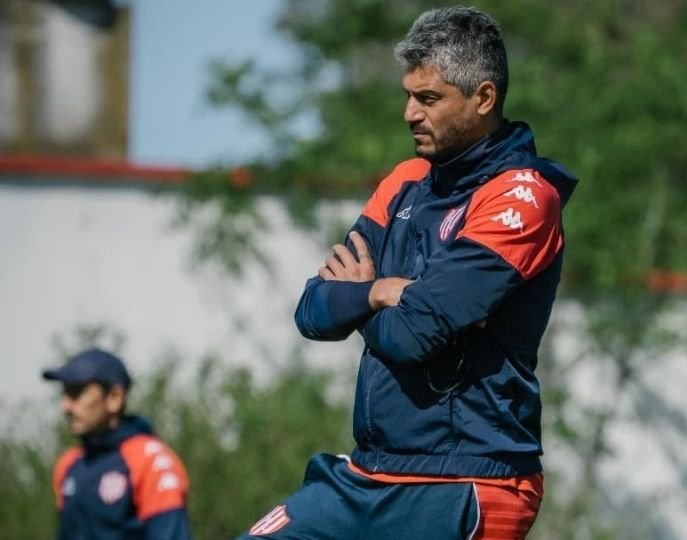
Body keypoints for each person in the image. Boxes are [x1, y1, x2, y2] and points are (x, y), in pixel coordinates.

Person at [239, 6, 576, 540]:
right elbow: (312, 310)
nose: (409, 114)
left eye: (429, 98)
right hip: (369, 474)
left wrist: (362, 299)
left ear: (484, 98)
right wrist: (378, 292)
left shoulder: (523, 198)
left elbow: (412, 333)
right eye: (408, 95)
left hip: (468, 480)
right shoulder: (405, 180)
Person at [42, 347, 192, 540]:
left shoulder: (150, 461)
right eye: (65, 394)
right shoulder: (68, 464)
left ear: (115, 398)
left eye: (77, 393)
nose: (66, 406)